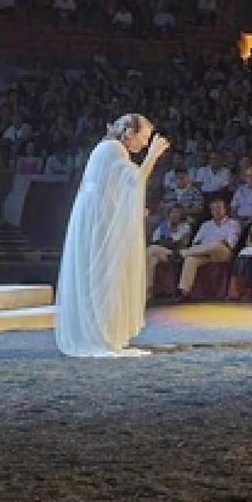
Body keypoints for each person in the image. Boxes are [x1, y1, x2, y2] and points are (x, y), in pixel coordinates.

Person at [55, 113, 169, 357]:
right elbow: (134, 181)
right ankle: (100, 334)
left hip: (97, 218)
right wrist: (153, 156)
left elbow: (116, 189)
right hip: (98, 222)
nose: (145, 143)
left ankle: (103, 331)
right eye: (144, 137)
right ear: (129, 132)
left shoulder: (110, 149)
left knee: (102, 273)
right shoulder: (113, 149)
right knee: (103, 273)